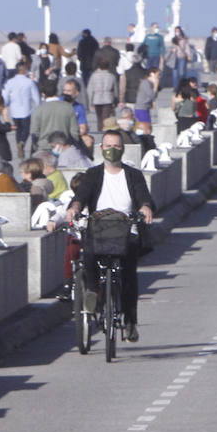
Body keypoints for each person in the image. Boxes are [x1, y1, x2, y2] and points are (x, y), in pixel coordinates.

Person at [63, 129, 156, 341]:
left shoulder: (133, 175)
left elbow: (144, 198)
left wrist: (145, 208)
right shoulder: (93, 174)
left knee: (130, 274)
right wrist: (74, 208)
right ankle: (93, 292)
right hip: (99, 229)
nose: (111, 150)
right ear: (101, 149)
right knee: (88, 255)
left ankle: (130, 321)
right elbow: (81, 197)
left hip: (126, 230)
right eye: (108, 146)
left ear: (122, 149)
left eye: (116, 146)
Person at [2, 60, 41, 160]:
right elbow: (36, 97)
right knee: (26, 129)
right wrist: (39, 107)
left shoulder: (10, 82)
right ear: (24, 70)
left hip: (14, 110)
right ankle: (22, 143)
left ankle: (19, 144)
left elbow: (5, 96)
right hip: (26, 109)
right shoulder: (29, 82)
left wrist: (5, 105)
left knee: (18, 130)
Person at [30, 77, 80, 151]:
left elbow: (34, 133)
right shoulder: (68, 107)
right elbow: (75, 132)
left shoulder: (38, 110)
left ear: (43, 94)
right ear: (57, 91)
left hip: (44, 147)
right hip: (63, 146)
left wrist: (36, 148)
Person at [87, 57, 119, 129]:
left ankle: (100, 131)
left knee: (99, 118)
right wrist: (116, 100)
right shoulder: (111, 76)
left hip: (97, 99)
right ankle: (105, 132)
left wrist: (90, 102)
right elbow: (115, 90)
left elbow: (90, 90)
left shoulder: (94, 76)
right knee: (106, 118)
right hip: (108, 99)